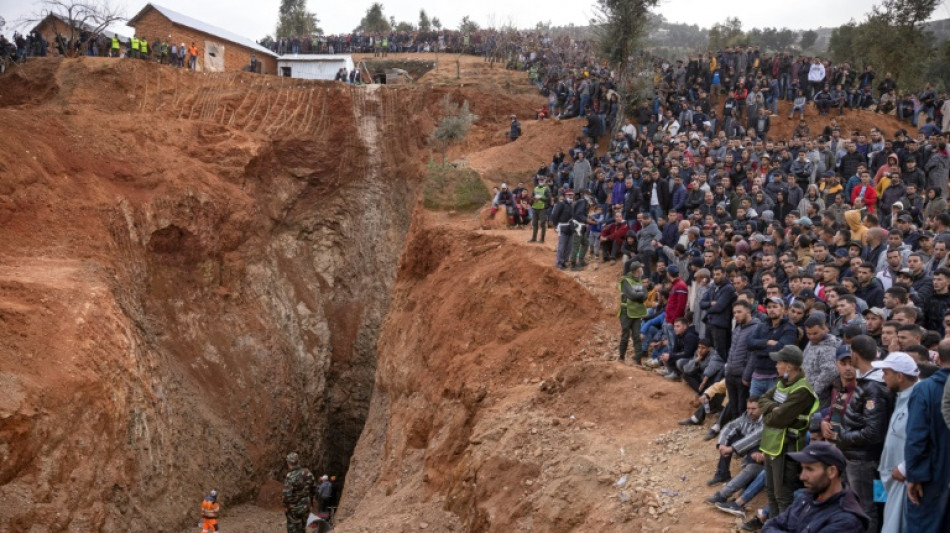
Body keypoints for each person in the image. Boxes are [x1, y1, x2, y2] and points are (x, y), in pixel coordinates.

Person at [825, 335, 891, 532]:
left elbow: (873, 432)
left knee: (865, 507)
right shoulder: (867, 381)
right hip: (854, 455)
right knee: (854, 505)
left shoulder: (873, 386)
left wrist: (844, 438)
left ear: (854, 354)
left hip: (863, 458)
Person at [759, 345, 819, 515]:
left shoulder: (802, 390)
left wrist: (767, 415)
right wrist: (774, 408)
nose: (776, 365)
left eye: (779, 362)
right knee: (771, 493)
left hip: (787, 447)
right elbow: (762, 398)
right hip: (772, 443)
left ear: (790, 366)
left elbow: (779, 419)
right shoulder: (782, 382)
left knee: (783, 496)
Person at [762, 441, 870, 532]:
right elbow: (769, 526)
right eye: (802, 468)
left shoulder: (846, 520)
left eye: (809, 469)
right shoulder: (805, 497)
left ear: (831, 472)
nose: (802, 477)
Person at [903, 338, 950, 533]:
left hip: (931, 475)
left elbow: (916, 436)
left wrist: (914, 475)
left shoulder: (925, 389)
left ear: (937, 358)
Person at [873, 352, 920, 533]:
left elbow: (930, 439)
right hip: (891, 481)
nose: (883, 377)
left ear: (899, 376)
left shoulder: (919, 399)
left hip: (905, 479)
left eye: (886, 373)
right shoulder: (901, 397)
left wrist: (906, 467)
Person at [617, 262, 648, 365]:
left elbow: (645, 296)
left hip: (637, 312)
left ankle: (638, 361)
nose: (641, 271)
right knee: (625, 335)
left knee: (636, 337)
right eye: (640, 269)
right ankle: (621, 357)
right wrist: (640, 295)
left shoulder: (639, 281)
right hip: (626, 312)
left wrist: (638, 295)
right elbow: (632, 295)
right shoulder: (626, 281)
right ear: (635, 270)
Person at [282, 452, 316, 533]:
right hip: (306, 506)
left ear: (289, 463)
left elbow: (287, 495)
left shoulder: (290, 476)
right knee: (303, 528)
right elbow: (313, 488)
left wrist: (286, 506)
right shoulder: (308, 473)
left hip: (295, 508)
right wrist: (311, 502)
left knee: (293, 529)